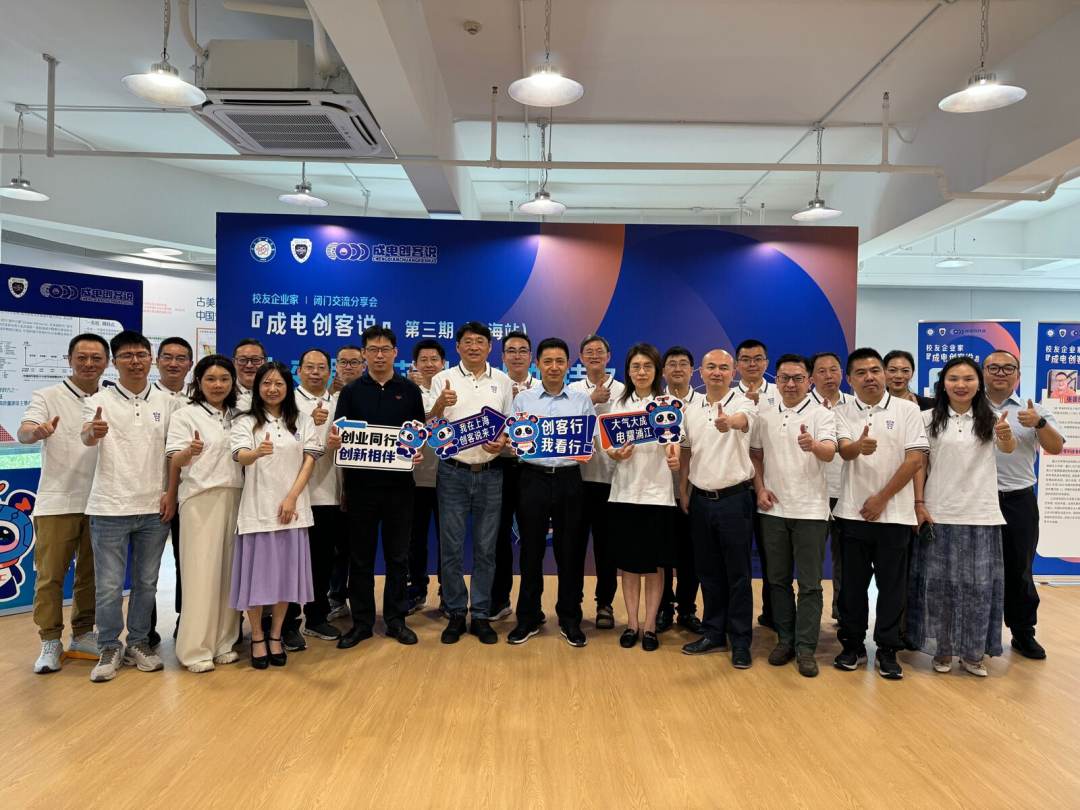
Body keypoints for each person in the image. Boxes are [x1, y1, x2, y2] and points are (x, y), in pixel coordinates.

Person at [81, 330, 181, 682]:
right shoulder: (99, 400)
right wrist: (93, 432)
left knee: (147, 583)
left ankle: (138, 642)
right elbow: (86, 435)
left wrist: (171, 493)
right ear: (114, 361)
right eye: (126, 355)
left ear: (151, 359)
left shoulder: (168, 403)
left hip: (154, 507)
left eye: (141, 354)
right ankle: (109, 645)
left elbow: (173, 454)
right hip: (108, 507)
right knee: (109, 586)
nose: (135, 361)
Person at [910, 356, 1016, 676]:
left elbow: (1007, 449)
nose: (961, 384)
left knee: (978, 587)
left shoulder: (992, 416)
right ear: (943, 383)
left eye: (968, 379)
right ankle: (942, 650)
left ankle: (972, 652)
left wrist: (1006, 434)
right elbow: (919, 463)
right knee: (940, 587)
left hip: (981, 513)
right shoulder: (927, 418)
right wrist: (919, 503)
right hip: (939, 511)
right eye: (953, 378)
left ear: (978, 383)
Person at [832, 347, 927, 680]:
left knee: (892, 587)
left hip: (895, 515)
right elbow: (844, 451)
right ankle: (853, 645)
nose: (869, 377)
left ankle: (887, 649)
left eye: (875, 370)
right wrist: (859, 447)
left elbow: (915, 460)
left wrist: (882, 499)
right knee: (852, 587)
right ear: (849, 379)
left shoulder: (907, 410)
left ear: (885, 374)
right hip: (852, 513)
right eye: (861, 372)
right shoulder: (842, 411)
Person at [19, 333, 109, 674]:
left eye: (96, 358)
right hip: (57, 501)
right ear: (69, 359)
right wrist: (36, 432)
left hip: (100, 501)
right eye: (82, 357)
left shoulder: (110, 396)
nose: (89, 363)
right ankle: (49, 640)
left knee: (91, 575)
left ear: (107, 362)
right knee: (50, 576)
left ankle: (83, 634)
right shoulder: (47, 396)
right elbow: (24, 430)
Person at [229, 361, 327, 669]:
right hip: (257, 511)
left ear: (288, 387)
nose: (272, 389)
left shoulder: (301, 421)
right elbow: (240, 456)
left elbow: (310, 460)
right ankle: (257, 636)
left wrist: (291, 497)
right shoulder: (245, 421)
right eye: (266, 383)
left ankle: (276, 635)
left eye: (279, 384)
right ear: (257, 387)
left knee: (286, 579)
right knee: (257, 580)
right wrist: (256, 452)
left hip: (292, 512)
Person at [334, 326, 426, 650]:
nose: (379, 355)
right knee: (360, 558)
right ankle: (361, 622)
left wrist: (416, 451)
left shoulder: (410, 391)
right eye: (372, 350)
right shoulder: (350, 392)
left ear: (395, 352)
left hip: (400, 488)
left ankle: (396, 620)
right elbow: (341, 437)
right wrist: (336, 443)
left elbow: (418, 434)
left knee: (397, 557)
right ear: (364, 354)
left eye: (385, 349)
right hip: (360, 488)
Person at [507, 337, 598, 647]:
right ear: (538, 364)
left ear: (569, 365)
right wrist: (513, 445)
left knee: (570, 551)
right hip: (531, 479)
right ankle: (528, 617)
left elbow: (589, 441)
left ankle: (570, 618)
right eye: (548, 361)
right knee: (530, 551)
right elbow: (515, 439)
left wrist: (588, 448)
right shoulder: (524, 400)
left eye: (560, 361)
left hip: (569, 479)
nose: (554, 367)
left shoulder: (581, 401)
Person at [750, 354, 836, 677]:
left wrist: (813, 445)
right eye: (784, 378)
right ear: (776, 380)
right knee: (777, 580)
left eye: (798, 378)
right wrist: (760, 488)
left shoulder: (821, 413)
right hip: (773, 509)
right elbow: (756, 455)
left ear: (809, 381)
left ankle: (805, 648)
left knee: (811, 584)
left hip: (811, 511)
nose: (790, 384)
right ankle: (785, 640)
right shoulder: (765, 413)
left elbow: (830, 452)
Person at [427, 322, 513, 645]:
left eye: (480, 341)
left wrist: (501, 442)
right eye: (467, 341)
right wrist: (440, 404)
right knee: (450, 548)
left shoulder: (502, 381)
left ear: (490, 347)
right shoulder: (442, 379)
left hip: (491, 473)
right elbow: (428, 426)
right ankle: (454, 612)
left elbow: (509, 426)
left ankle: (479, 614)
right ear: (458, 347)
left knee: (486, 549)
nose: (474, 347)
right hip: (452, 472)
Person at [678, 349, 757, 669]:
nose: (717, 372)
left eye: (724, 367)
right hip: (699, 500)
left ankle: (741, 640)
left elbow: (742, 421)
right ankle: (713, 632)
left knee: (738, 574)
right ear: (700, 372)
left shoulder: (744, 402)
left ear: (733, 372)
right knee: (708, 572)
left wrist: (728, 422)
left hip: (735, 500)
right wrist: (683, 490)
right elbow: (685, 451)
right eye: (710, 367)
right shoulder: (690, 408)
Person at [982, 351, 1063, 659]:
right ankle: (978, 632)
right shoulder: (969, 407)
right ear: (983, 372)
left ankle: (1023, 632)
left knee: (1020, 569)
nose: (1000, 373)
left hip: (1018, 500)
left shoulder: (1034, 410)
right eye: (993, 367)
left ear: (1018, 374)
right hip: (976, 500)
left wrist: (1039, 423)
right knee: (976, 570)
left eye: (1008, 368)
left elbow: (1056, 447)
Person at [166, 355, 243, 673]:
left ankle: (224, 642)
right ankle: (194, 649)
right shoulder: (185, 415)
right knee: (200, 575)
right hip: (199, 500)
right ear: (199, 382)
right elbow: (175, 458)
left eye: (224, 379)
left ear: (232, 383)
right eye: (210, 379)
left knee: (229, 575)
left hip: (236, 497)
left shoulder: (240, 415)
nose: (218, 385)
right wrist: (188, 452)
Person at [606, 344, 680, 652]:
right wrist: (616, 454)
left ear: (657, 371)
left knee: (656, 566)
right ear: (628, 371)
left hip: (658, 495)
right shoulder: (618, 404)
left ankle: (650, 626)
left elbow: (675, 442)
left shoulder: (669, 403)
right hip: (625, 493)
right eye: (636, 366)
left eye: (648, 366)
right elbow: (609, 447)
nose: (641, 372)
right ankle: (632, 624)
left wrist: (673, 455)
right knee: (629, 565)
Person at [285, 348, 344, 646]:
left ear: (330, 372)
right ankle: (287, 623)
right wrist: (307, 420)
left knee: (322, 560)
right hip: (292, 495)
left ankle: (317, 616)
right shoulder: (286, 401)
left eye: (322, 367)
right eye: (309, 367)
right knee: (290, 562)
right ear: (298, 371)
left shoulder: (340, 404)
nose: (315, 372)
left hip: (328, 493)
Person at [568, 334, 624, 630]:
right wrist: (590, 401)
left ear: (608, 356)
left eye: (599, 351)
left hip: (611, 480)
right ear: (580, 358)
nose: (594, 356)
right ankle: (573, 603)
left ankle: (605, 604)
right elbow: (563, 423)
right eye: (588, 352)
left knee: (606, 549)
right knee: (574, 547)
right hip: (576, 479)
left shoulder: (624, 391)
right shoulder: (573, 389)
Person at [490, 330, 538, 621]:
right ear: (503, 356)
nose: (517, 356)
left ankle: (532, 606)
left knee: (532, 538)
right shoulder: (494, 386)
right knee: (498, 537)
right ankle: (500, 599)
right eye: (511, 350)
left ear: (531, 357)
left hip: (533, 470)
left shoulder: (544, 387)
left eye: (522, 351)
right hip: (500, 468)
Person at [150, 336, 193, 646]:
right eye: (167, 357)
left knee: (185, 560)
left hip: (190, 495)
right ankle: (145, 630)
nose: (174, 363)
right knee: (147, 569)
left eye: (181, 358)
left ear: (190, 364)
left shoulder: (199, 398)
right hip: (151, 494)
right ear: (157, 362)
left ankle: (185, 619)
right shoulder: (145, 397)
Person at [658, 346, 702, 634]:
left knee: (691, 555)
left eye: (683, 364)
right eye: (671, 364)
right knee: (662, 555)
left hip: (693, 492)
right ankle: (663, 608)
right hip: (660, 492)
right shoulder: (653, 404)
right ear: (663, 371)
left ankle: (687, 609)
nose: (677, 368)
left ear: (692, 370)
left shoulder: (704, 404)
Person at [735, 338, 777, 631]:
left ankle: (772, 614)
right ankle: (737, 619)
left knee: (771, 556)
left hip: (771, 488)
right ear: (737, 364)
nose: (752, 364)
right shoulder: (724, 396)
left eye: (758, 358)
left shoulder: (780, 393)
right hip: (736, 488)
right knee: (737, 558)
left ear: (767, 363)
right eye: (746, 359)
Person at [405, 338, 446, 615]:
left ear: (443, 363)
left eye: (434, 359)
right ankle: (417, 589)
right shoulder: (406, 392)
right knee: (414, 540)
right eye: (424, 360)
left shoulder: (455, 390)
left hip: (448, 478)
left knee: (448, 540)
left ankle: (447, 590)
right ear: (415, 364)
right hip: (415, 479)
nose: (429, 364)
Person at [810, 351, 850, 624]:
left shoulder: (855, 405)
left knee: (845, 560)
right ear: (812, 377)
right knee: (811, 560)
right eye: (821, 371)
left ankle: (842, 613)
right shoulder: (802, 406)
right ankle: (808, 617)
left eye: (833, 370)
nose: (828, 376)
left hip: (847, 493)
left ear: (842, 374)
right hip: (813, 495)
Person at [327, 343, 366, 619]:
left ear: (363, 366)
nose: (349, 367)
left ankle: (361, 602)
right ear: (336, 366)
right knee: (337, 547)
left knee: (359, 548)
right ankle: (336, 597)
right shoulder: (326, 399)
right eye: (344, 362)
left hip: (363, 483)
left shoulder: (371, 395)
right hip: (329, 483)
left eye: (354, 362)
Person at [231, 338, 267, 411]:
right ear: (234, 363)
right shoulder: (224, 393)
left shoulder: (273, 392)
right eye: (243, 360)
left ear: (265, 362)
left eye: (256, 360)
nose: (249, 365)